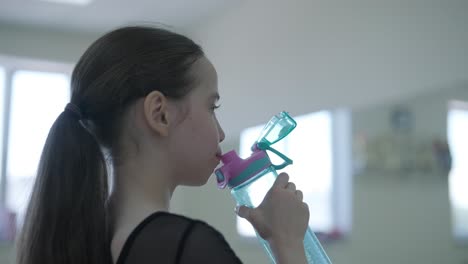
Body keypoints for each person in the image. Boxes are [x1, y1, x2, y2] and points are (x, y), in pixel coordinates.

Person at [16, 26, 310, 264]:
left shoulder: (82, 240)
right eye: (212, 106)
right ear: (160, 114)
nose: (221, 134)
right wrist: (288, 243)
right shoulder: (187, 248)